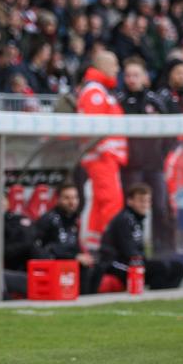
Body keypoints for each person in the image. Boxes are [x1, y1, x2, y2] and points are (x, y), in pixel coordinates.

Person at [117, 56, 174, 252]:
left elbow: (169, 132)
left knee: (160, 207)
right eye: (128, 75)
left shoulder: (155, 101)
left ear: (144, 77)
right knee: (130, 208)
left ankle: (163, 253)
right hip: (130, 166)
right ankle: (131, 250)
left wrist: (161, 155)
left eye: (136, 75)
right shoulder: (119, 101)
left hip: (154, 165)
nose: (132, 79)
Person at [77, 49, 127, 251]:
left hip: (105, 159)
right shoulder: (95, 93)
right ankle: (109, 246)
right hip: (102, 159)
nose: (117, 69)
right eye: (114, 64)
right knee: (110, 204)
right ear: (102, 65)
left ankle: (96, 247)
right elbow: (93, 130)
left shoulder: (100, 91)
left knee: (101, 205)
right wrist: (108, 153)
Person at [98, 183, 183, 290]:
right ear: (130, 201)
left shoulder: (137, 220)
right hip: (115, 264)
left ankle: (166, 294)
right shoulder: (124, 220)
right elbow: (129, 252)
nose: (145, 205)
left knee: (179, 267)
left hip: (133, 261)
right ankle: (154, 295)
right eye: (141, 201)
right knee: (160, 268)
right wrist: (146, 263)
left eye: (147, 201)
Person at [33, 183, 102, 295]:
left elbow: (74, 245)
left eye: (75, 198)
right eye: (67, 198)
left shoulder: (74, 219)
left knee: (98, 265)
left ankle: (91, 300)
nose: (72, 202)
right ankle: (82, 299)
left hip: (71, 260)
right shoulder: (48, 219)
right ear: (58, 199)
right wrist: (75, 257)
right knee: (84, 268)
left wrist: (84, 256)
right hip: (54, 263)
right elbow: (43, 247)